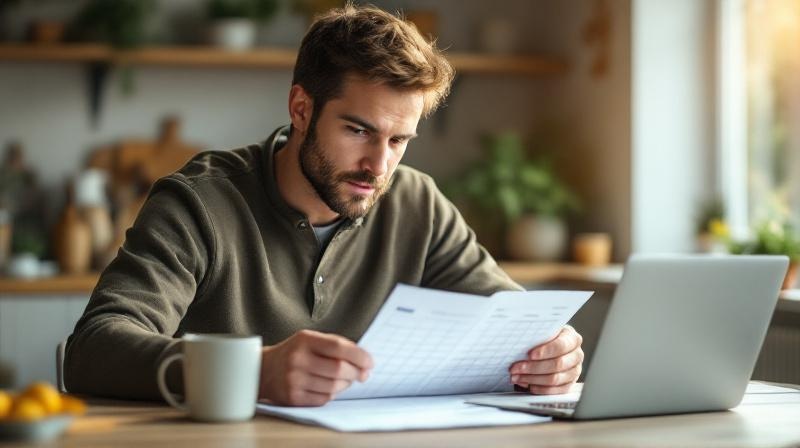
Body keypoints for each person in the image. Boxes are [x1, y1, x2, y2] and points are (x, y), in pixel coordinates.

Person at [65, 4, 584, 407]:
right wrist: (254, 371)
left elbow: (513, 321)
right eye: (359, 131)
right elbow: (95, 349)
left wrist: (552, 351)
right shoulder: (199, 202)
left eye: (400, 140)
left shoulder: (417, 203)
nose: (379, 166)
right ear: (300, 108)